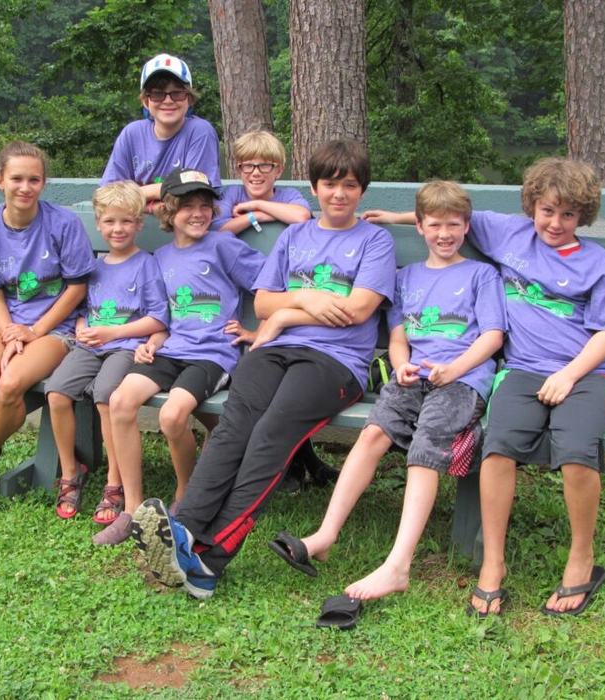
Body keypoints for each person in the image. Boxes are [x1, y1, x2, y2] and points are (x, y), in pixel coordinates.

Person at [131, 140, 397, 599]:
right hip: (275, 350)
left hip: (337, 363)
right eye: (330, 184)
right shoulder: (296, 236)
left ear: (361, 190)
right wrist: (302, 301)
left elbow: (357, 310)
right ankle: (184, 530)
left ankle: (210, 561)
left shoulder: (374, 240)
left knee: (272, 432)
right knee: (235, 425)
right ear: (314, 188)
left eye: (349, 185)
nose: (338, 193)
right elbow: (265, 300)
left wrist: (291, 313)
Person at [367, 158, 605, 617]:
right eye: (547, 211)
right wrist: (395, 218)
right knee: (498, 446)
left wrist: (568, 375)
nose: (555, 223)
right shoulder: (510, 233)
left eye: (568, 215)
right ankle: (493, 563)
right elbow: (449, 218)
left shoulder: (597, 263)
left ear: (582, 216)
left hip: (585, 374)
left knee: (576, 451)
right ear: (532, 207)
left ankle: (581, 557)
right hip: (523, 370)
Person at [268, 181, 506, 603]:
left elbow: (492, 336)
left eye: (454, 225)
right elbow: (398, 336)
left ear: (467, 227)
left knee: (426, 445)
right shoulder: (406, 278)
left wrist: (456, 368)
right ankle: (326, 534)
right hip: (412, 375)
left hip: (464, 380)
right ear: (419, 226)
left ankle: (398, 564)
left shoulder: (480, 274)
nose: (444, 234)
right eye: (435, 224)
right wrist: (400, 366)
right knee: (373, 433)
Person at [100, 168, 265, 546]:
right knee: (120, 400)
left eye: (205, 205)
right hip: (173, 349)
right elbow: (162, 315)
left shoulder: (223, 245)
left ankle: (187, 498)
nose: (198, 213)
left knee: (172, 415)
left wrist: (259, 330)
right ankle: (133, 508)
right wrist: (153, 341)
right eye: (187, 205)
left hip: (213, 354)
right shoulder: (159, 258)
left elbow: (268, 285)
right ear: (168, 212)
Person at [0, 141, 94, 516]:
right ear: (0, 181)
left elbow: (78, 287)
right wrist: (9, 333)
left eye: (34, 180)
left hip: (54, 329)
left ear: (44, 183)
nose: (25, 187)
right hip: (8, 325)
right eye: (17, 179)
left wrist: (33, 332)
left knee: (9, 385)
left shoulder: (63, 224)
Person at [213, 129, 337, 491]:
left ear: (278, 169)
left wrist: (257, 209)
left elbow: (300, 216)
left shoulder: (287, 196)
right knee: (267, 382)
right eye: (247, 166)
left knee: (286, 384)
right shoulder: (228, 195)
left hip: (289, 310)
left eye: (264, 166)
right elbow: (219, 229)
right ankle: (299, 465)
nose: (256, 173)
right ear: (237, 169)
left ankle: (297, 466)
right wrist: (253, 218)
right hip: (251, 307)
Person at [43, 182, 168, 521]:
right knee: (56, 393)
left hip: (124, 348)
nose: (118, 229)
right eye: (110, 221)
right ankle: (71, 472)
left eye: (126, 222)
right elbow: (82, 308)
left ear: (139, 224)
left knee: (104, 396)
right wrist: (82, 324)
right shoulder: (94, 266)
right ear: (98, 224)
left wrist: (115, 331)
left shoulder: (146, 264)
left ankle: (115, 481)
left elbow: (158, 317)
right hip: (90, 346)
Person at [100, 54, 220, 213]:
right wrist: (156, 202)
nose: (168, 101)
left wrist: (137, 195)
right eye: (158, 94)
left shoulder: (200, 131)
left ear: (189, 99)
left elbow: (194, 196)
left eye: (177, 93)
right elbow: (108, 197)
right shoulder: (132, 134)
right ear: (145, 101)